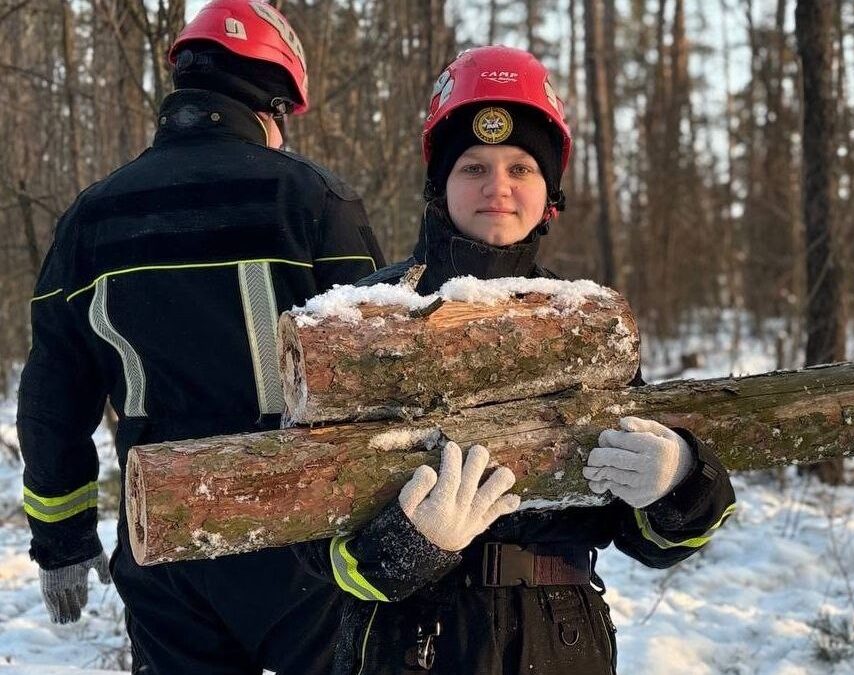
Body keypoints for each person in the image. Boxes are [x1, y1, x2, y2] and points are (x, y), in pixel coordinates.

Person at [299, 45, 737, 674]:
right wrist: (408, 546)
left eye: (521, 167)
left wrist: (681, 479)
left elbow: (651, 541)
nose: (497, 187)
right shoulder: (363, 322)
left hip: (563, 640)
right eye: (473, 166)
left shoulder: (586, 324)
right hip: (410, 641)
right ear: (440, 183)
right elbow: (304, 539)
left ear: (549, 192)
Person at [17, 1, 385, 672]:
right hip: (306, 540)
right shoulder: (313, 199)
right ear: (271, 103)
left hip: (163, 544)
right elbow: (377, 369)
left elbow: (51, 395)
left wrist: (63, 536)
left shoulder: (91, 217)